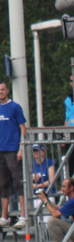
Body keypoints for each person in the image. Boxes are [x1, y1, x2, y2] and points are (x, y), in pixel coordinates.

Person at [0, 82, 27, 229]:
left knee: (18, 181)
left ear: (7, 91)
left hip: (12, 149)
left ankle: (23, 215)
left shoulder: (15, 107)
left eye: (3, 89)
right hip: (1, 150)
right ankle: (4, 216)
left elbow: (23, 128)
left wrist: (21, 148)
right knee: (3, 183)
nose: (1, 92)